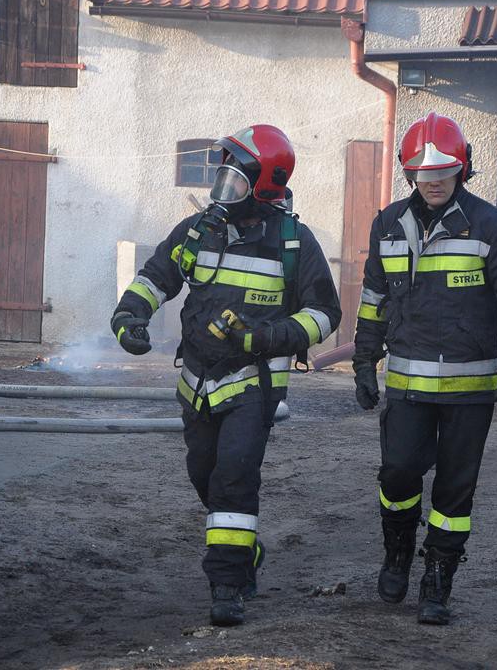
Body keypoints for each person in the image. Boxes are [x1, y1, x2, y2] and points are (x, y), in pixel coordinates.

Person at [111, 125, 341, 626]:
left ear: (263, 185)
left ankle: (227, 584)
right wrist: (130, 317)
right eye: (223, 175)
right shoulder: (198, 230)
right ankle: (245, 551)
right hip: (195, 382)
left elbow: (325, 314)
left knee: (234, 479)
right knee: (206, 477)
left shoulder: (293, 242)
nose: (224, 186)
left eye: (236, 178)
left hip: (252, 384)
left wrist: (267, 338)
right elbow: (156, 277)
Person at [351, 112, 497, 624]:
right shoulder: (388, 224)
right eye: (421, 170)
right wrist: (364, 362)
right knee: (397, 475)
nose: (432, 180)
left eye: (443, 170)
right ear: (408, 172)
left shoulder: (492, 227)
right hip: (408, 387)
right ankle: (397, 552)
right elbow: (373, 300)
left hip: (469, 390)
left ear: (463, 169)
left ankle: (438, 579)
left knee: (455, 491)